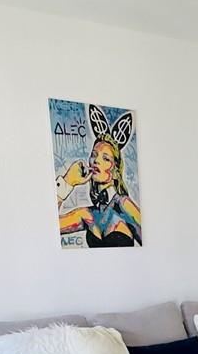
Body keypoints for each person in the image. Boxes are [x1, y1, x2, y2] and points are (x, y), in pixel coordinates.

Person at [59, 105, 141, 247]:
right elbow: (50, 226)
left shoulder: (124, 205)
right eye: (94, 155)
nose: (96, 160)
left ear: (116, 172)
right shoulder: (87, 214)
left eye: (106, 158)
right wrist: (67, 182)